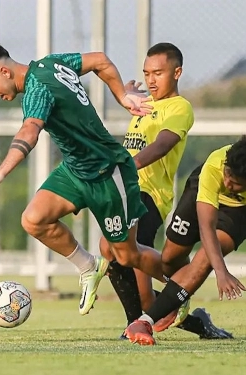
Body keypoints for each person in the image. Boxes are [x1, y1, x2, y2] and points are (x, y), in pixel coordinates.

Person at [0, 42, 169, 316]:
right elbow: (99, 60)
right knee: (33, 219)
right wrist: (121, 95)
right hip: (75, 169)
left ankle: (179, 287)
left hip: (107, 172)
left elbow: (28, 132)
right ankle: (89, 266)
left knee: (127, 255)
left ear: (4, 71)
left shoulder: (37, 90)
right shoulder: (52, 63)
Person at [99, 42, 231, 340]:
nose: (151, 80)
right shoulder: (145, 103)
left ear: (177, 72)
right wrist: (127, 91)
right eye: (147, 73)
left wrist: (127, 167)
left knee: (128, 257)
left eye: (158, 73)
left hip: (149, 196)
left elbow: (162, 145)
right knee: (116, 259)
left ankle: (139, 322)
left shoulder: (179, 107)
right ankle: (186, 316)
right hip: (124, 191)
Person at [124, 136, 246, 345]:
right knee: (169, 260)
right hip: (200, 190)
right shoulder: (215, 166)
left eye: (236, 183)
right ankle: (179, 295)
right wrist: (221, 273)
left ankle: (144, 322)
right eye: (228, 174)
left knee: (206, 257)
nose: (227, 182)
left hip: (242, 209)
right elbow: (207, 227)